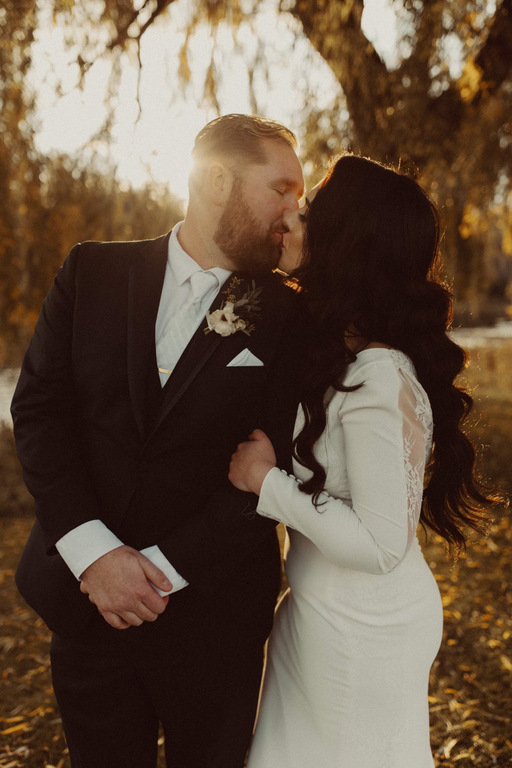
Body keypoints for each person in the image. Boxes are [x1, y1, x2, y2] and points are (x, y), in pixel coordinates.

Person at [11, 114, 305, 768]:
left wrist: (154, 577)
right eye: (281, 188)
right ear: (217, 180)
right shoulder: (92, 272)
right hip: (89, 610)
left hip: (214, 619)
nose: (294, 209)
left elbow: (275, 463)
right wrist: (96, 557)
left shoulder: (288, 315)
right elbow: (38, 411)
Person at [229, 154, 495, 768]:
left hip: (361, 630)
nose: (295, 213)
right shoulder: (345, 357)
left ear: (348, 243)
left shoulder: (379, 378)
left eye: (313, 208)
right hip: (320, 612)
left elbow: (380, 544)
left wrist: (267, 483)